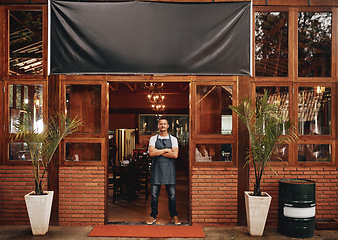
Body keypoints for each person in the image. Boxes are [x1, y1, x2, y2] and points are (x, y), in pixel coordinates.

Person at [146, 117, 181, 225]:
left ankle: (174, 215)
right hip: (156, 170)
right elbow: (151, 153)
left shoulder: (174, 139)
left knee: (172, 195)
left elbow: (175, 154)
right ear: (158, 126)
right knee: (154, 195)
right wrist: (166, 150)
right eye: (161, 124)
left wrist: (158, 151)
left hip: (169, 170)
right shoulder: (153, 139)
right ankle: (153, 216)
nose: (162, 126)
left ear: (168, 126)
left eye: (164, 124)